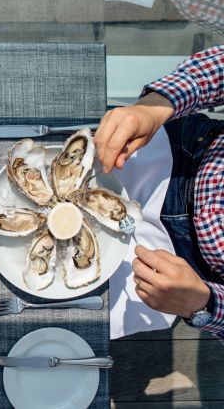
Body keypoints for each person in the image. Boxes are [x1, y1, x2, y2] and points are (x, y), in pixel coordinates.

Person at [94, 45, 224, 339]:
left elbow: (207, 306)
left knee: (55, 294)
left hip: (177, 265)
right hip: (181, 151)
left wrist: (204, 305)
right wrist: (154, 106)